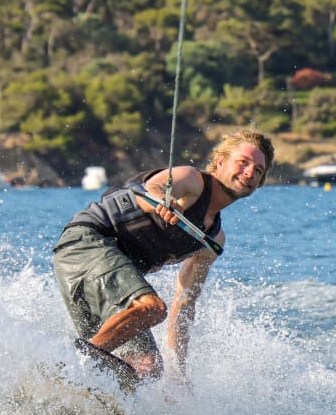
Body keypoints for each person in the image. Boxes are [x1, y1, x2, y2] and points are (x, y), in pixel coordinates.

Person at [53, 128, 274, 384]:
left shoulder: (212, 240)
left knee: (149, 368)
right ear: (221, 161)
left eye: (258, 171)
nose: (249, 173)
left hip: (109, 278)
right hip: (87, 243)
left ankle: (75, 393)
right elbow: (150, 189)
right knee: (150, 308)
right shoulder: (191, 180)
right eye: (243, 163)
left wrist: (179, 373)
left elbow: (184, 304)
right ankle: (70, 366)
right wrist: (162, 202)